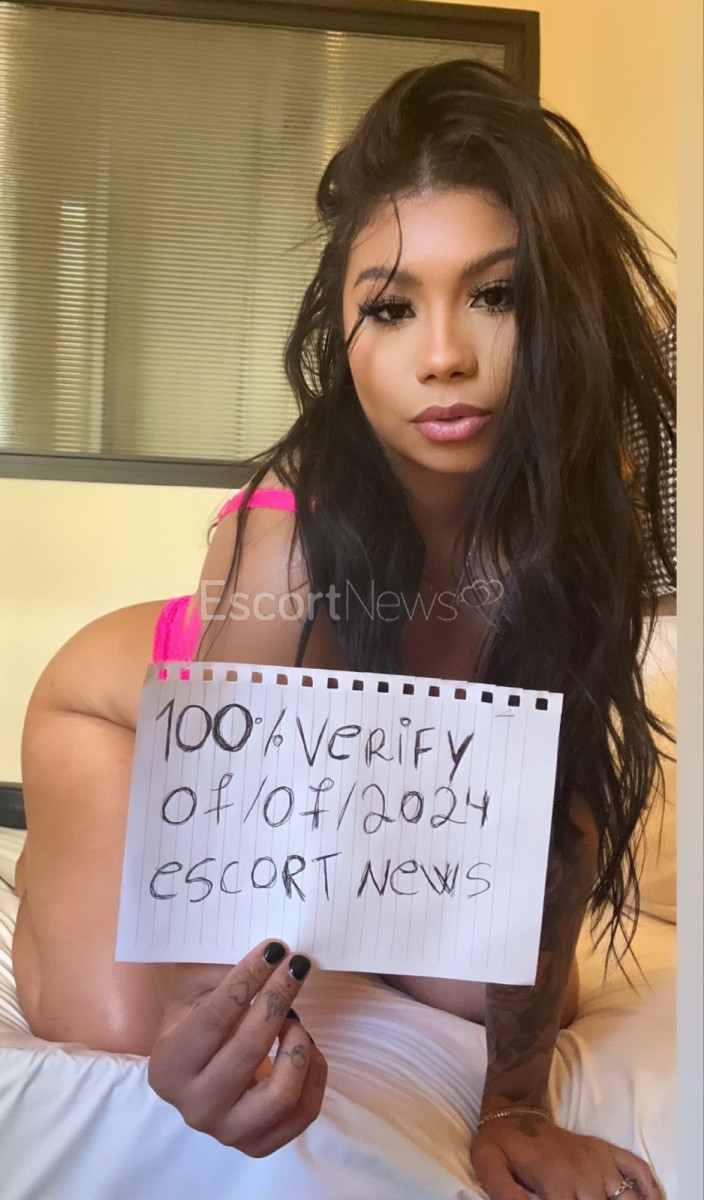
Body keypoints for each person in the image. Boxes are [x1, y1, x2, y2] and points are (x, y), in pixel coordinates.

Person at [12, 59, 675, 1200]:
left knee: (540, 995)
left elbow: (561, 813)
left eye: (496, 295)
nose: (442, 355)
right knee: (122, 1030)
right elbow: (209, 858)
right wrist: (191, 1016)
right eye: (392, 306)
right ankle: (58, 861)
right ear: (345, 329)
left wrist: (516, 1107)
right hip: (126, 724)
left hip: (371, 792)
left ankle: (353, 899)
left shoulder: (587, 520)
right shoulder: (291, 540)